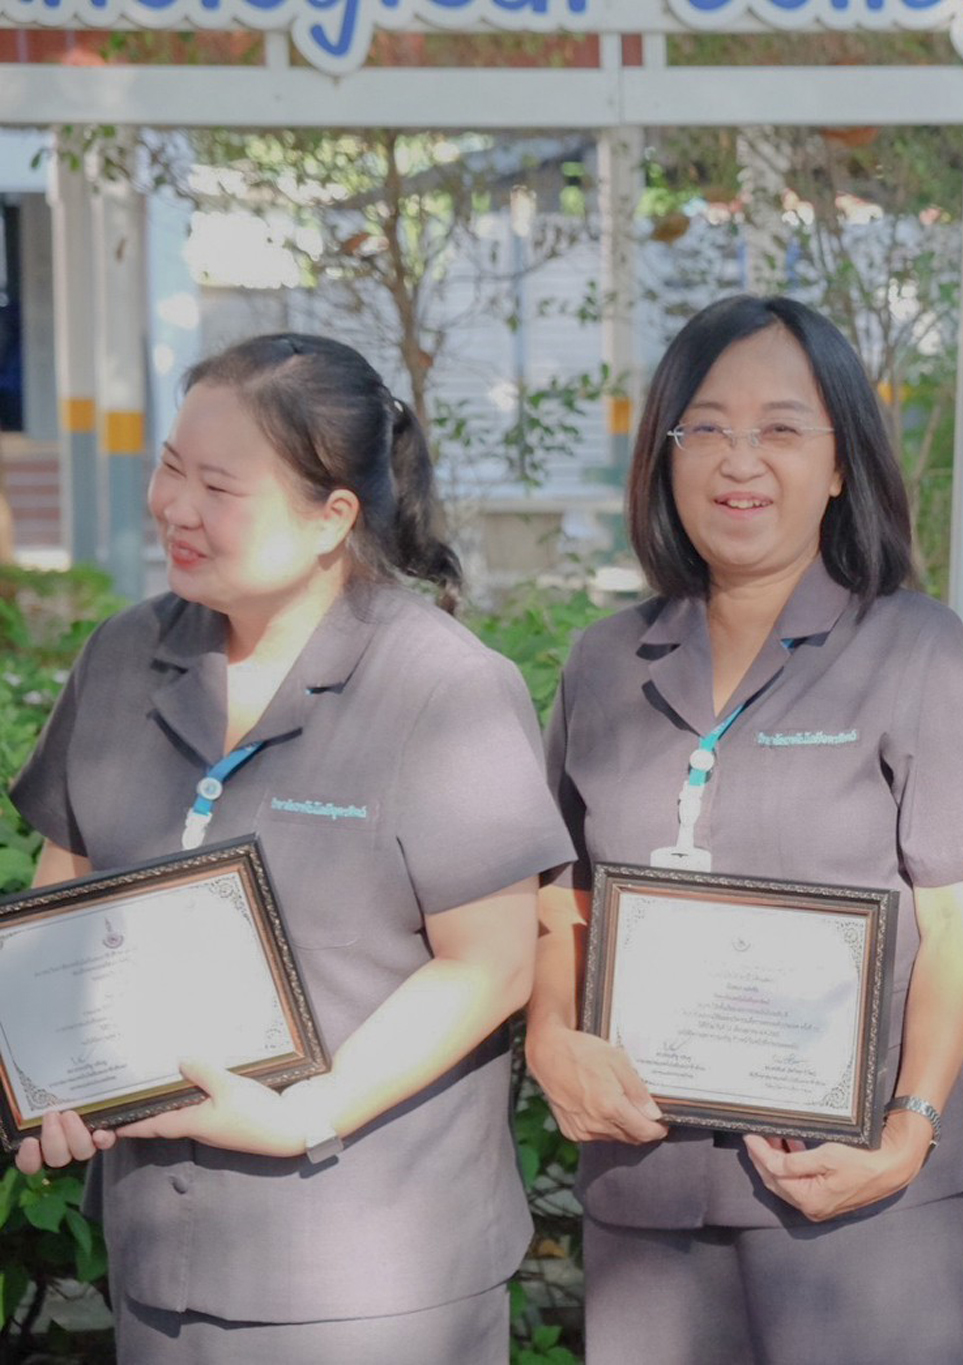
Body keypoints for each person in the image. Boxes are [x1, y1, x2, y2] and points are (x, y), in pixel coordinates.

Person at [8, 333, 572, 1363]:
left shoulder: (440, 689)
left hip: (366, 1268)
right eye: (171, 466)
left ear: (333, 518)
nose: (174, 506)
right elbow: (66, 893)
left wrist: (304, 1115)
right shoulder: (127, 655)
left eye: (217, 485)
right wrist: (47, 1084)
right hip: (160, 1259)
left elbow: (492, 963)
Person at [525, 294, 963, 1364]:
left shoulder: (915, 648)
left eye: (780, 429)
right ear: (664, 456)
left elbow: (962, 920)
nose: (737, 460)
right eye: (704, 427)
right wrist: (548, 1038)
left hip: (858, 1196)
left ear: (841, 464)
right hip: (649, 1191)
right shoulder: (603, 662)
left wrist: (909, 1129)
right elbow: (558, 890)